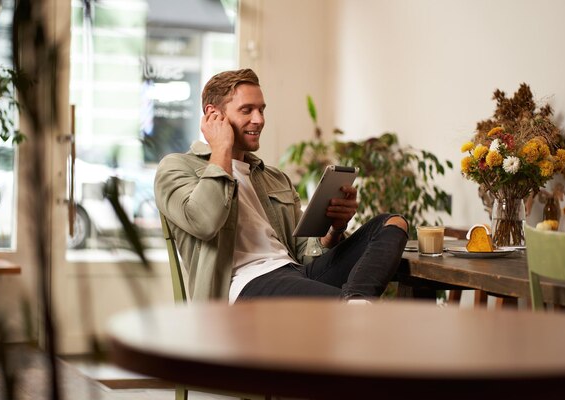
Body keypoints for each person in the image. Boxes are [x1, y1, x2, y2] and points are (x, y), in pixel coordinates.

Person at [154, 68, 408, 303]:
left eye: (261, 109)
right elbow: (205, 222)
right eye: (247, 110)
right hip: (245, 286)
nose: (259, 119)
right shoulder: (177, 167)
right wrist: (221, 147)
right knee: (346, 310)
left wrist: (335, 230)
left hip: (296, 273)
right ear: (213, 116)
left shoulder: (274, 178)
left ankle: (356, 304)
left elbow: (304, 253)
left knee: (392, 224)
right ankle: (354, 308)